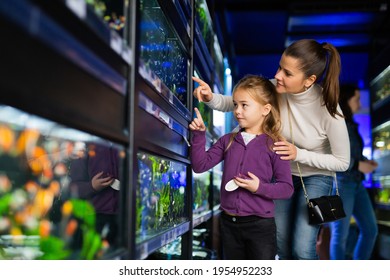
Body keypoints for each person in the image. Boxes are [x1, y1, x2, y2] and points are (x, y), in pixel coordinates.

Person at [192, 39, 350, 260]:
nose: (277, 75)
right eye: (279, 67)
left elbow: (342, 162)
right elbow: (240, 101)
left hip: (316, 176)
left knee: (302, 247)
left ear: (309, 80)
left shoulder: (329, 109)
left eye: (287, 72)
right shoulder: (276, 88)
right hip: (279, 175)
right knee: (282, 245)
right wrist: (210, 98)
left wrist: (299, 154)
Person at [190, 75, 294, 260]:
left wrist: (258, 188)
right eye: (236, 105)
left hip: (260, 226)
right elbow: (200, 165)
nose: (237, 111)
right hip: (228, 224)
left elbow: (286, 188)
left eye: (244, 105)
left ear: (265, 109)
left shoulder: (276, 145)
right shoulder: (227, 141)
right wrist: (199, 135)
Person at [329, 84, 378, 260]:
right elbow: (332, 157)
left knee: (370, 230)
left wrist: (365, 162)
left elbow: (352, 154)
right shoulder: (335, 124)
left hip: (357, 184)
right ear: (345, 100)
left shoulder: (350, 124)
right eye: (356, 99)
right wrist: (358, 165)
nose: (359, 103)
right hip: (342, 184)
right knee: (339, 236)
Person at [69, 142, 121, 248]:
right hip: (95, 218)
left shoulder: (121, 144)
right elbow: (73, 189)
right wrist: (91, 186)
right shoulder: (87, 146)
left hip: (123, 217)